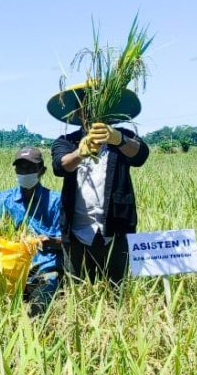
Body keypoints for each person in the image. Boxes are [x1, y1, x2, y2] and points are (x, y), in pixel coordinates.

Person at [47, 83, 149, 283]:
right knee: (76, 287)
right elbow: (61, 166)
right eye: (88, 106)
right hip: (77, 231)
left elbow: (140, 155)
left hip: (115, 230)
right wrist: (81, 152)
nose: (93, 111)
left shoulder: (123, 137)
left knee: (116, 287)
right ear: (80, 111)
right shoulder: (67, 140)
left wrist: (117, 139)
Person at [0, 147, 64, 316]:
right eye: (21, 168)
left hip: (43, 267)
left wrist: (49, 241)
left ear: (42, 171)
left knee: (37, 312)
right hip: (8, 268)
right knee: (0, 311)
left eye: (30, 168)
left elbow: (67, 240)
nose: (25, 172)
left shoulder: (55, 201)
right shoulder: (2, 199)